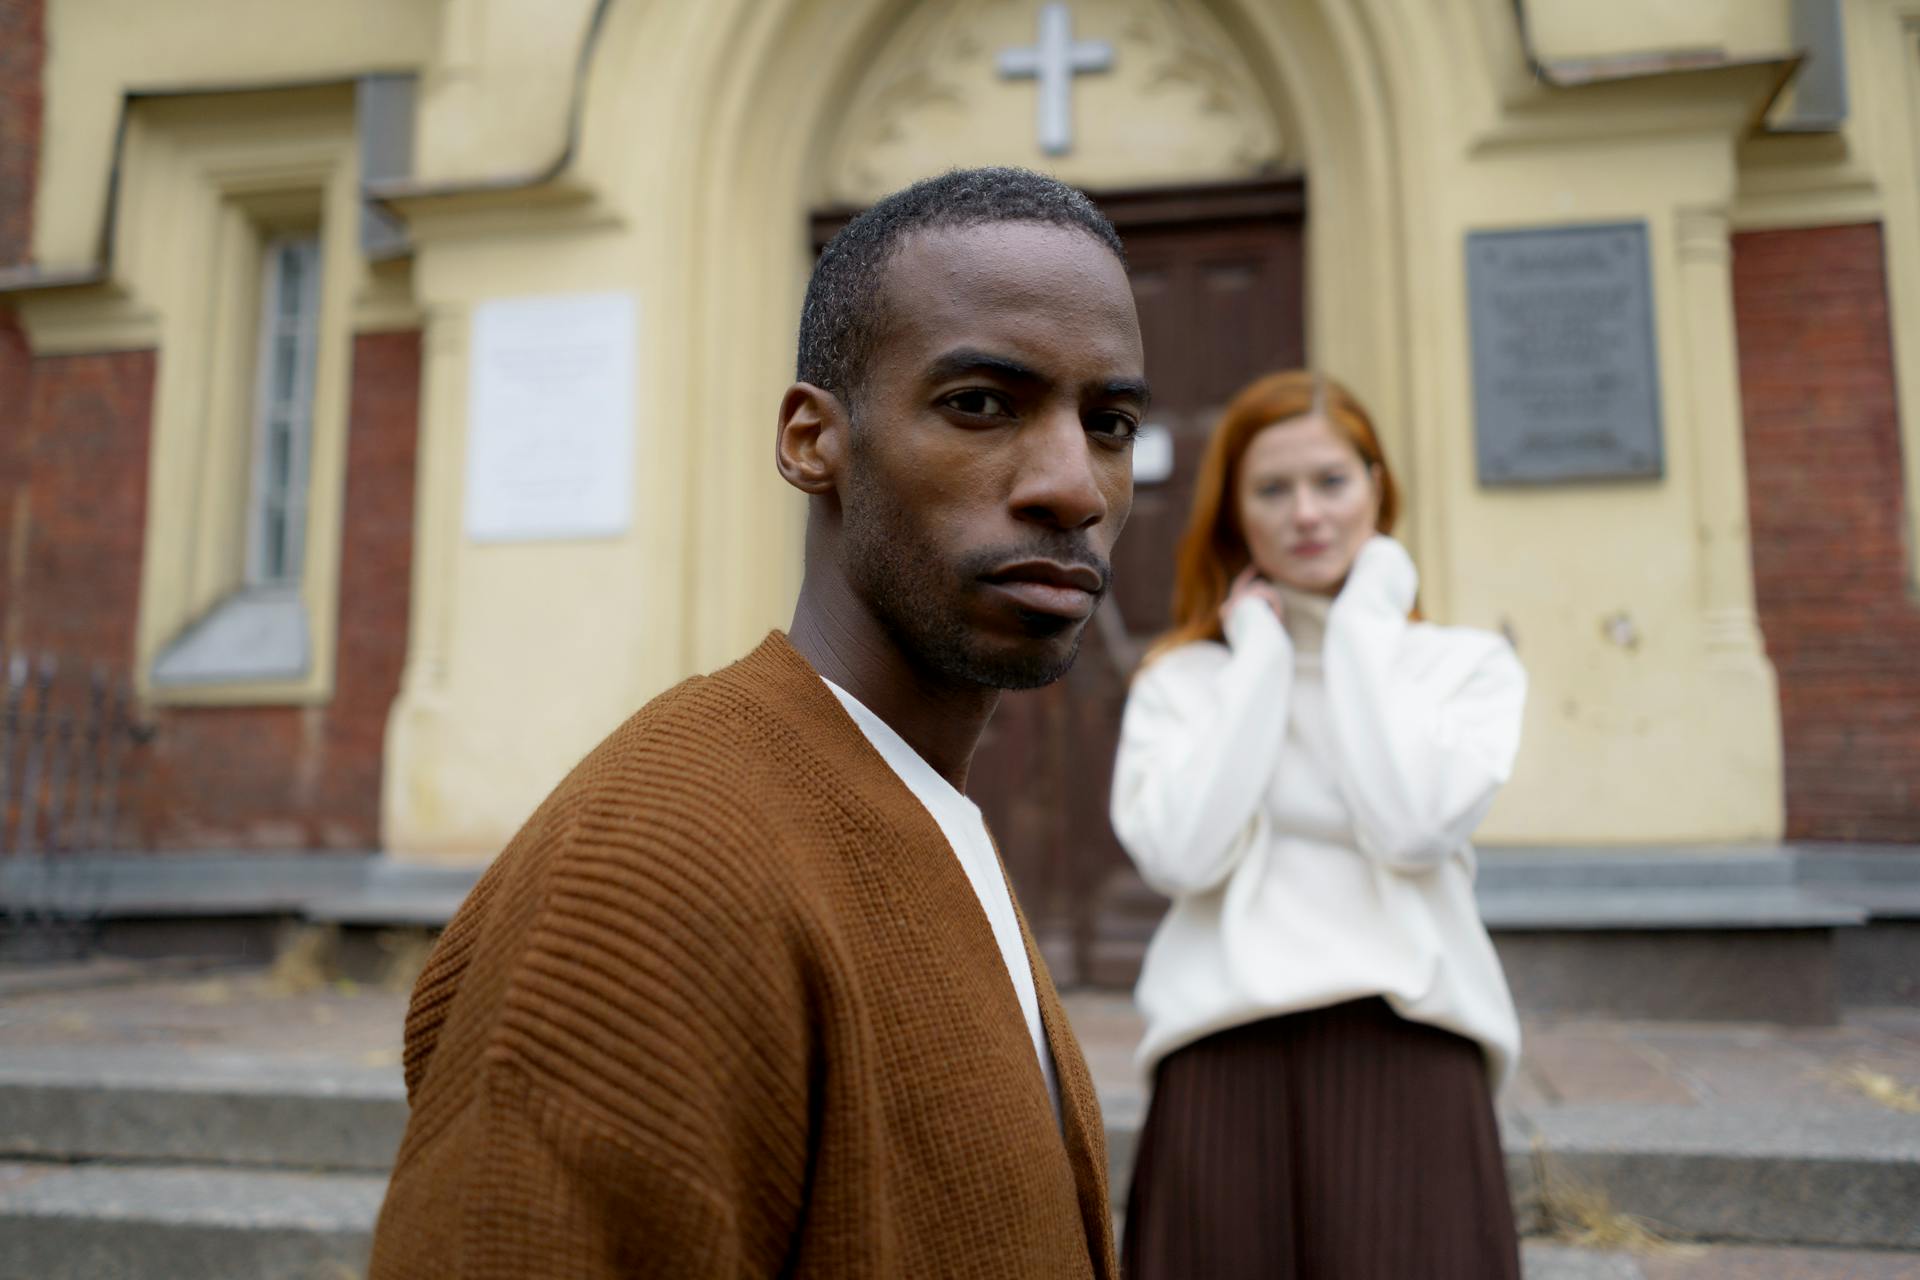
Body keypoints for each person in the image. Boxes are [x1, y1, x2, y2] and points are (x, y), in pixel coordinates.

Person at [369, 167, 1149, 1279]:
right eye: (981, 402)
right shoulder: (653, 869)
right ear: (810, 440)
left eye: (1109, 421)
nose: (1073, 483)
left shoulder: (910, 802)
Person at [1110, 370, 1526, 1279]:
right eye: (1272, 489)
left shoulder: (1462, 669)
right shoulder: (1185, 684)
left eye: (1331, 482)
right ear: (1234, 516)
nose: (1306, 513)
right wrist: (1257, 663)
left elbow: (1410, 825)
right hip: (1220, 1059)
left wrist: (1361, 628)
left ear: (1378, 489)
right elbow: (1181, 857)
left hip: (1410, 1053)